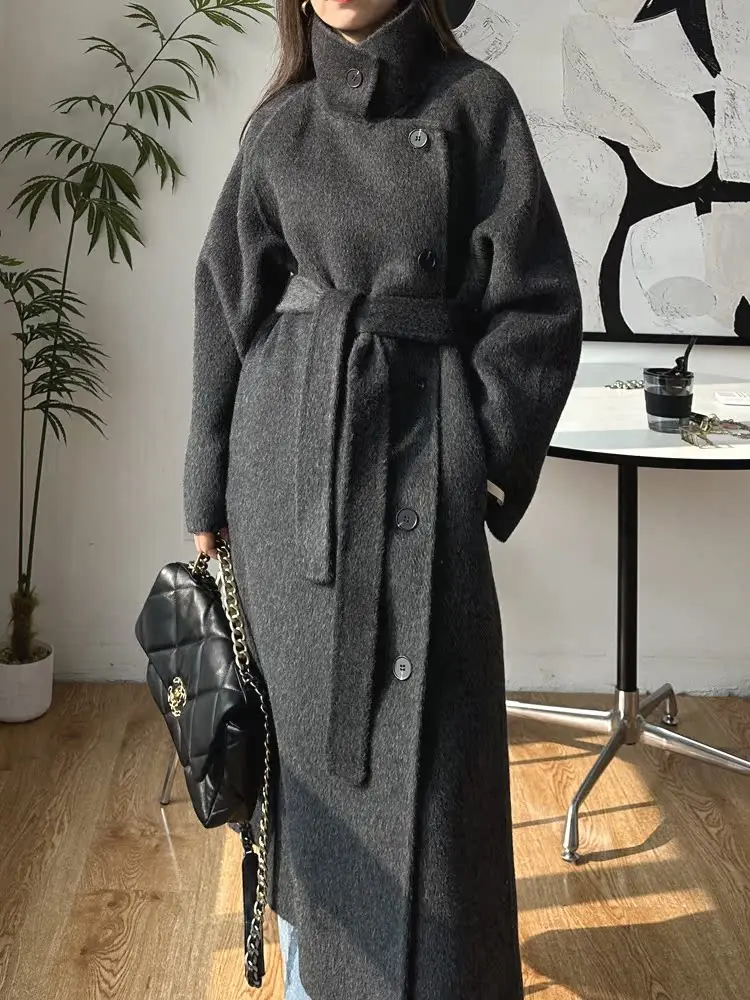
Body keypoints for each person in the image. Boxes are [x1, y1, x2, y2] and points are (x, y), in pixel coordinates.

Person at [183, 0, 583, 997]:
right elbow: (223, 301)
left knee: (436, 783)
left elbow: (538, 305)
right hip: (289, 486)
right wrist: (207, 479)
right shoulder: (280, 126)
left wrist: (476, 458)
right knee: (303, 782)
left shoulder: (476, 106)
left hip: (419, 482)